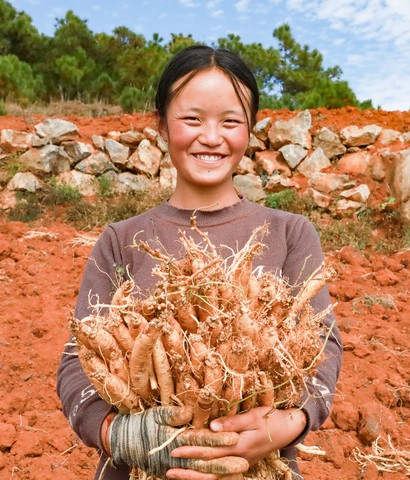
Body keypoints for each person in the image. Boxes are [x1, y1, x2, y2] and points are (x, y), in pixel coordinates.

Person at [57, 45, 342, 479]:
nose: (211, 137)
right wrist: (122, 435)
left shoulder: (291, 233)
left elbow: (324, 347)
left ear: (249, 130)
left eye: (230, 121)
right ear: (161, 125)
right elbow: (78, 360)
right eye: (192, 119)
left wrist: (288, 422)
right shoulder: (120, 240)